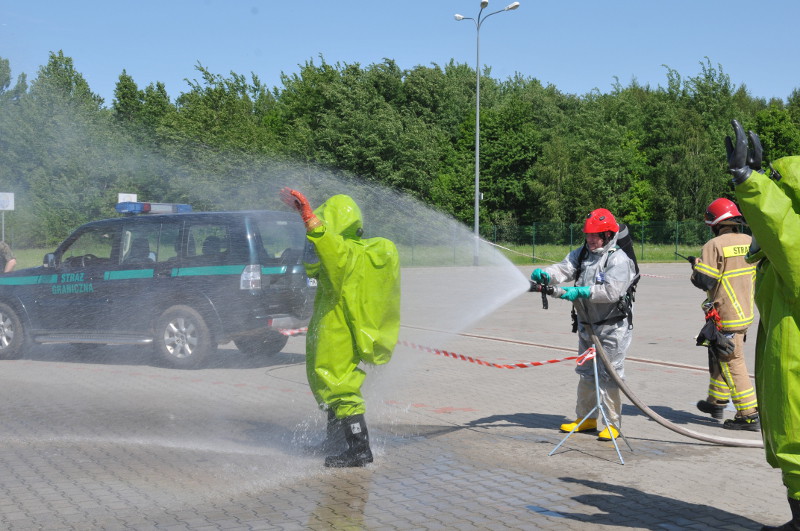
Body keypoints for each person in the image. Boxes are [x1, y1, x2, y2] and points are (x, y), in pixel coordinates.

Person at [279, 188, 401, 468]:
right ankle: (336, 442)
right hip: (338, 325)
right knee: (333, 384)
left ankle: (359, 449)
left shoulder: (343, 253)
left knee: (339, 384)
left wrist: (309, 219)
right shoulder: (362, 253)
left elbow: (328, 245)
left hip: (337, 328)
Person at [726, 119, 800, 530]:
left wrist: (750, 183)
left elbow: (786, 234)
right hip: (785, 358)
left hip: (795, 364)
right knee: (792, 444)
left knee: (797, 443)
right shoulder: (776, 255)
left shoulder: (791, 245)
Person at [531, 208, 637, 441]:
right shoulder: (583, 254)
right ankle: (586, 418)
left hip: (611, 328)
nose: (590, 240)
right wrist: (547, 275)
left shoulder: (618, 259)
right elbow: (563, 268)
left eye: (595, 235)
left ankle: (612, 424)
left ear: (608, 235)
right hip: (587, 325)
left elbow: (611, 291)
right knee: (586, 372)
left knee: (610, 374)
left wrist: (580, 291)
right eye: (587, 235)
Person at [690, 198, 758, 430]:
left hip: (725, 315)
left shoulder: (714, 245)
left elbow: (704, 280)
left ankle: (748, 414)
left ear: (715, 223)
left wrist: (697, 266)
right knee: (718, 355)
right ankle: (716, 401)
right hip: (745, 312)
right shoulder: (749, 241)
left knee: (732, 361)